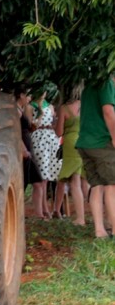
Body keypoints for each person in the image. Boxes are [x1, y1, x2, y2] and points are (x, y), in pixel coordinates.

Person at [75, 74, 115, 239]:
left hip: (85, 142)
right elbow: (108, 111)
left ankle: (99, 230)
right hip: (101, 142)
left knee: (96, 186)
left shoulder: (90, 84)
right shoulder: (106, 83)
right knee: (112, 186)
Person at [26, 89, 62, 218]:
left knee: (50, 174)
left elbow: (54, 124)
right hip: (38, 137)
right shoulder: (30, 107)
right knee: (42, 174)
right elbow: (30, 125)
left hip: (51, 138)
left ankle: (49, 208)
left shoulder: (50, 106)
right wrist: (40, 113)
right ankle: (44, 209)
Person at [54, 84, 86, 225]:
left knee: (71, 180)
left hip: (70, 144)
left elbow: (59, 132)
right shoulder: (86, 107)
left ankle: (78, 217)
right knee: (81, 180)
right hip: (84, 142)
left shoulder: (64, 108)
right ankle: (85, 215)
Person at [15, 86, 45, 219]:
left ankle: (39, 214)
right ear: (21, 95)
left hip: (28, 149)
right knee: (23, 183)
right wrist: (23, 149)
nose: (29, 98)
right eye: (27, 95)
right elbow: (14, 133)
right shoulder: (15, 111)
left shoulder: (22, 109)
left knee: (38, 182)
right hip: (23, 151)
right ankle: (17, 213)